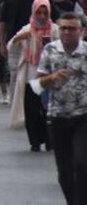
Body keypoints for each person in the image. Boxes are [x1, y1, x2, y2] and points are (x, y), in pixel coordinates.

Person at [36, 12, 87, 205]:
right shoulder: (50, 50)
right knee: (64, 172)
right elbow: (37, 83)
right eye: (63, 28)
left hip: (83, 116)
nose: (66, 32)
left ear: (81, 31)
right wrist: (52, 77)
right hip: (57, 116)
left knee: (82, 163)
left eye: (72, 28)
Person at [7, 0, 57, 151]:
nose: (42, 17)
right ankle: (35, 141)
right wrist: (18, 39)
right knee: (32, 111)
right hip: (30, 75)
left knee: (48, 111)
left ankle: (50, 140)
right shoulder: (27, 29)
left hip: (49, 77)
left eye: (44, 13)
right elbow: (11, 48)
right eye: (39, 13)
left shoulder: (55, 30)